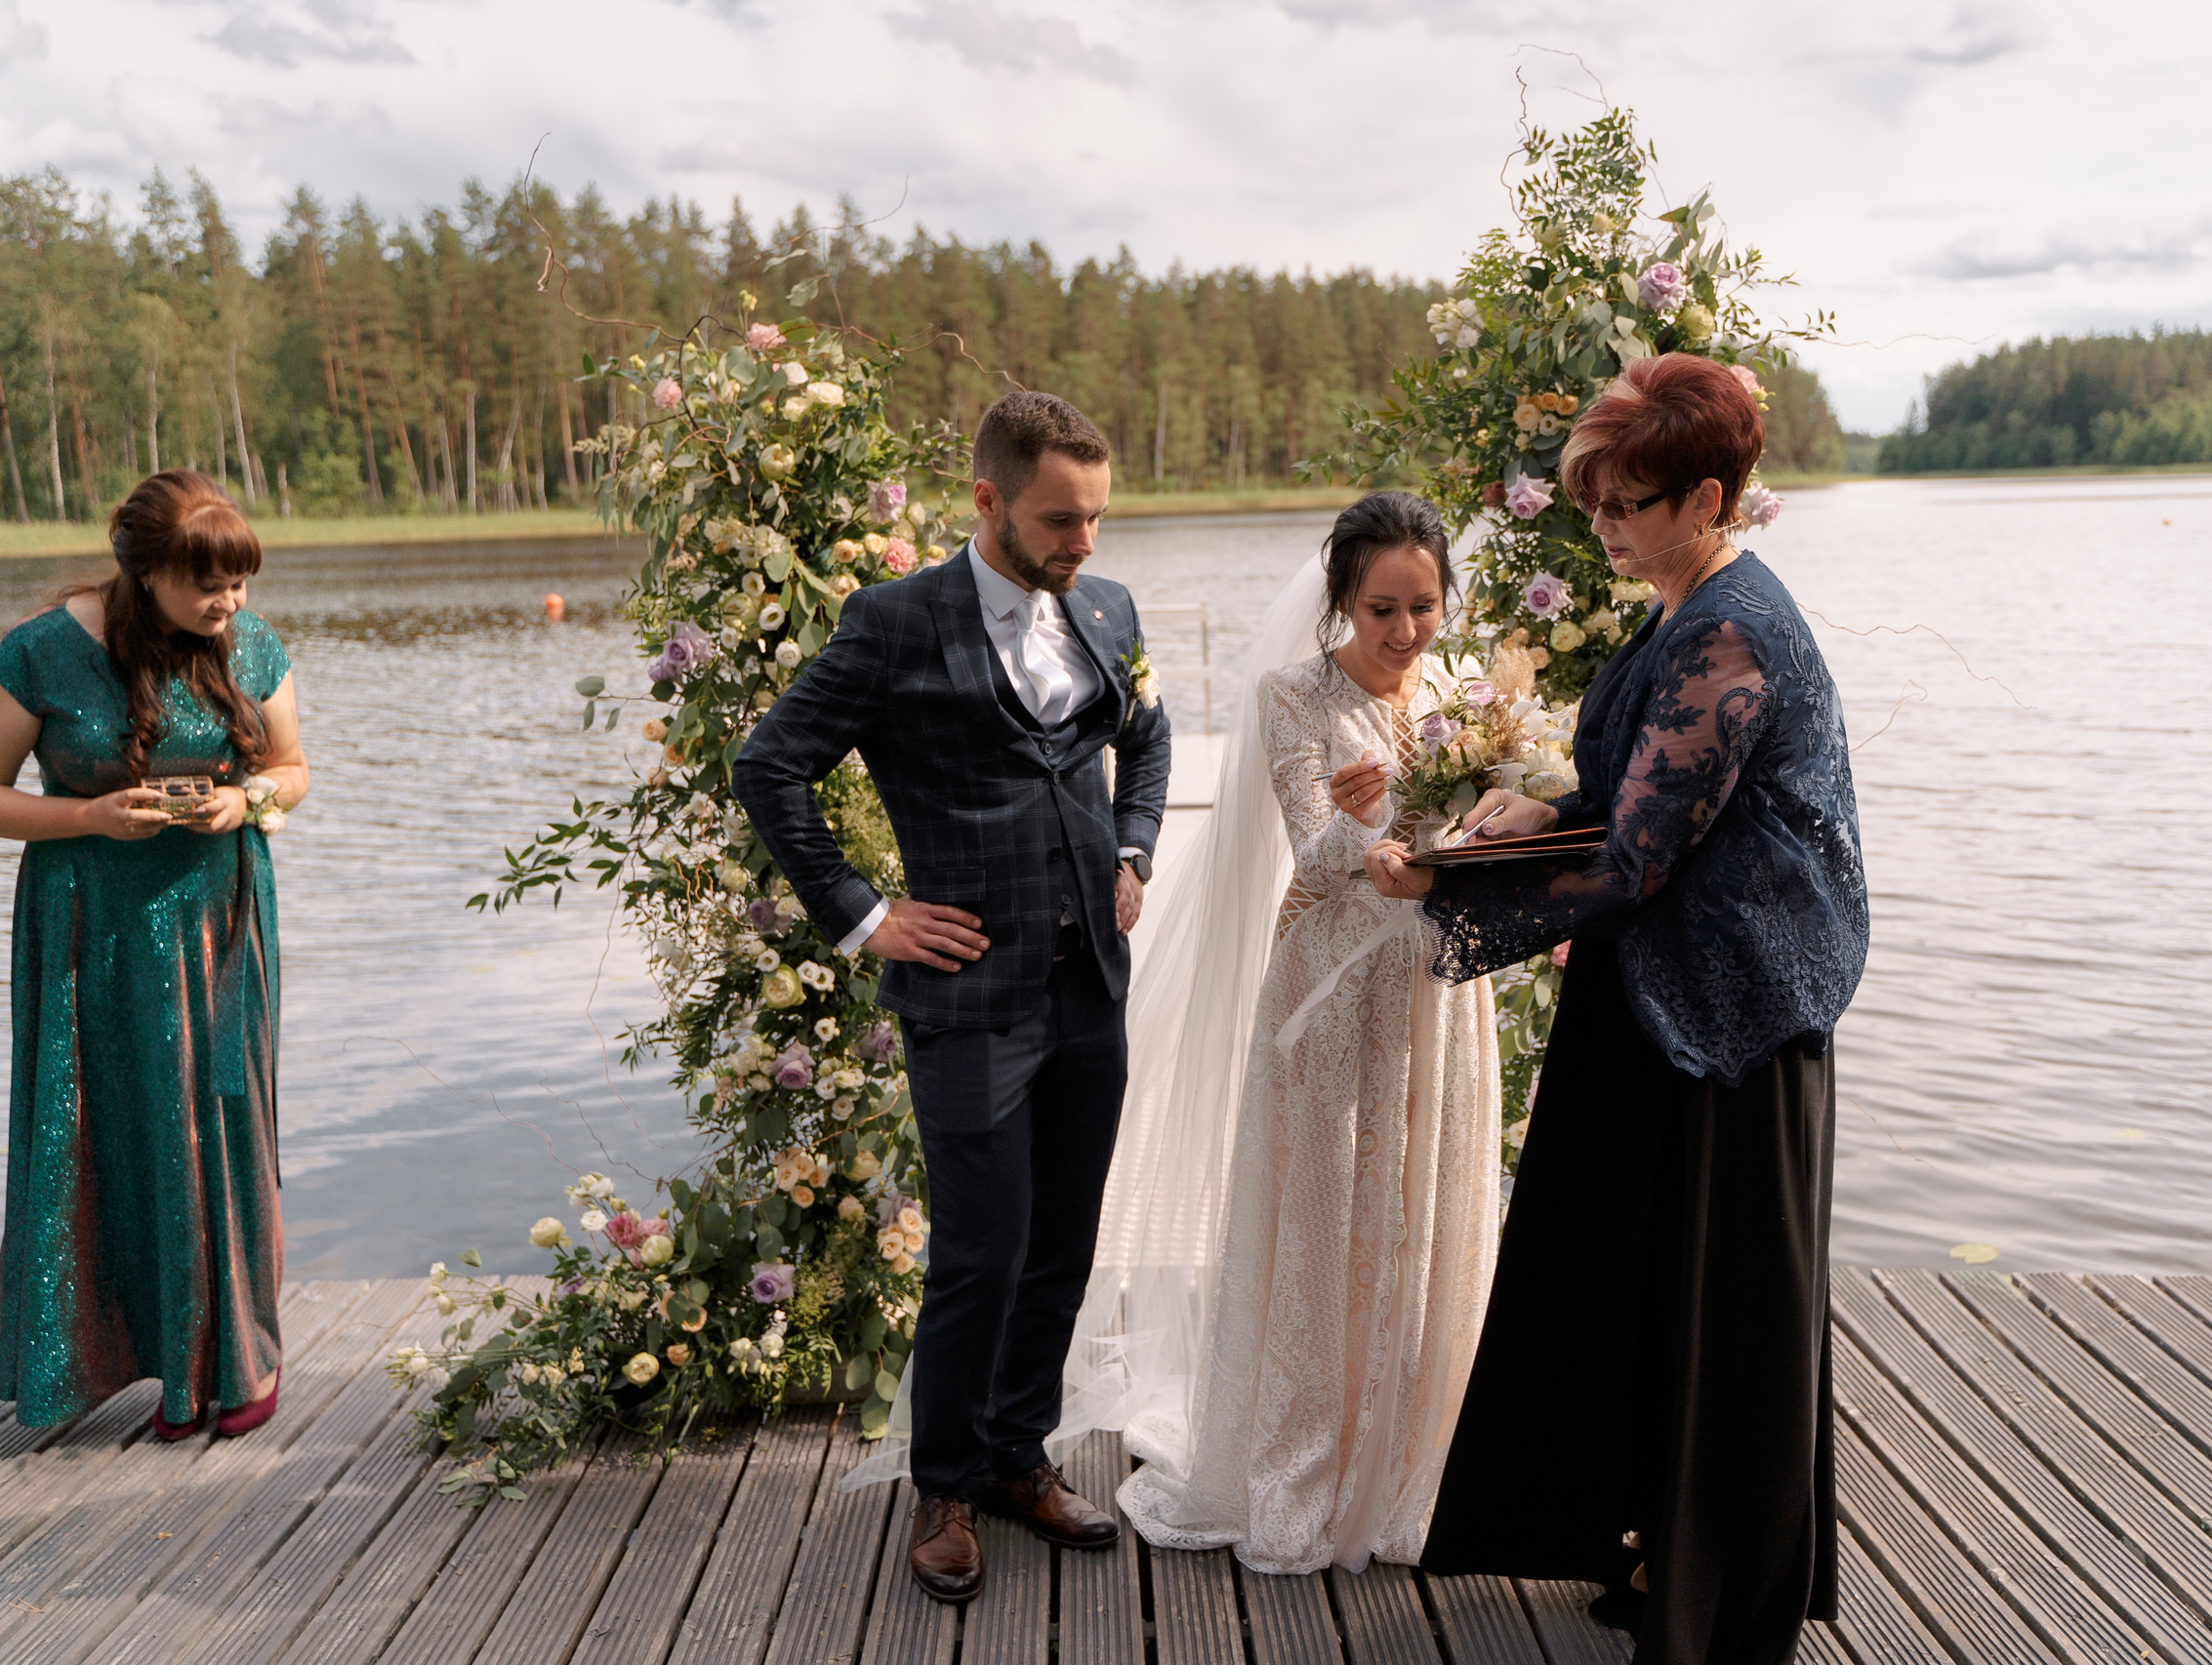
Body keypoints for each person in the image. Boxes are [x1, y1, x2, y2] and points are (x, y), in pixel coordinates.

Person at [1368, 352, 1868, 1663]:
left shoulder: (1733, 628)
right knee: (1626, 1277)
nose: (1602, 524)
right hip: (1658, 988)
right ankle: (1656, 1543)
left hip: (1733, 1018)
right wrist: (1548, 807)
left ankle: (1719, 1599)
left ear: (1709, 497)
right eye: (1591, 501)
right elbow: (1644, 796)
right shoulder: (1680, 608)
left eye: (1628, 503)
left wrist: (1443, 879)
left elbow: (1644, 853)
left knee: (1720, 1307)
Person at [732, 390, 1172, 1605]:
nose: (1084, 541)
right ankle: (943, 1481)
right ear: (987, 501)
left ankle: (1019, 1456)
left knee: (1063, 1240)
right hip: (967, 994)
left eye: (1096, 517)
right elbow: (768, 765)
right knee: (980, 1248)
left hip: (1090, 981)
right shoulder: (892, 622)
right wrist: (869, 914)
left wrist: (1133, 850)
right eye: (1059, 519)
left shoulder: (1108, 607)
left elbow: (1152, 732)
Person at [1100, 492, 1500, 1573]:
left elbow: (1498, 829)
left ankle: (1412, 1446)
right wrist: (1366, 824)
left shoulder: (1464, 700)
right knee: (1327, 1209)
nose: (1406, 631)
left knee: (1423, 1207)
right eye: (1381, 607)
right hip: (1329, 987)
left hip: (1435, 983)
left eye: (1422, 605)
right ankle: (1307, 1454)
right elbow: (1315, 853)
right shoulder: (1294, 696)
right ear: (1340, 598)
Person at [0, 469, 308, 1442]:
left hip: (223, 918)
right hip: (91, 924)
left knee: (224, 1118)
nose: (228, 602)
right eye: (206, 584)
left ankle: (233, 1360)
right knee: (109, 1122)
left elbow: (292, 767)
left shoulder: (252, 643)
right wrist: (87, 815)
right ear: (145, 572)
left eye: (238, 582)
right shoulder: (40, 651)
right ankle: (114, 1354)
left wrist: (253, 800)